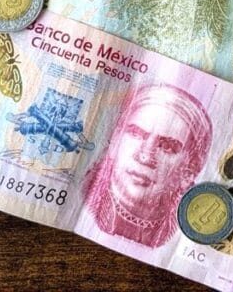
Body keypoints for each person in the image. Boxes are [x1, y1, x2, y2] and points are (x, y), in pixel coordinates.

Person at [83, 84, 212, 248]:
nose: (144, 156)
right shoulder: (83, 196)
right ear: (115, 140)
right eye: (136, 134)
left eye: (166, 147)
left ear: (189, 173)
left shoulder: (180, 233)